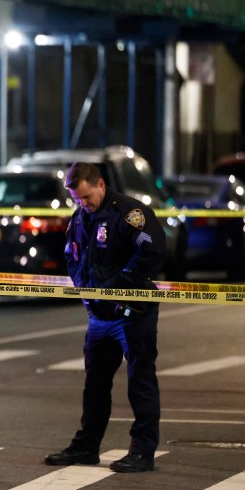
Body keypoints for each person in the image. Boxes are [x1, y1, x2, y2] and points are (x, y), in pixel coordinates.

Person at [45, 162, 165, 474]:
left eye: (85, 197)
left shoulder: (129, 214)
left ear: (100, 184)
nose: (82, 204)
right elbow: (72, 255)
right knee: (95, 384)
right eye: (77, 199)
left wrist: (118, 287)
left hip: (131, 313)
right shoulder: (81, 217)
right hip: (99, 315)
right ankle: (87, 446)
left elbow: (152, 252)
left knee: (140, 382)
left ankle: (142, 450)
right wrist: (84, 288)